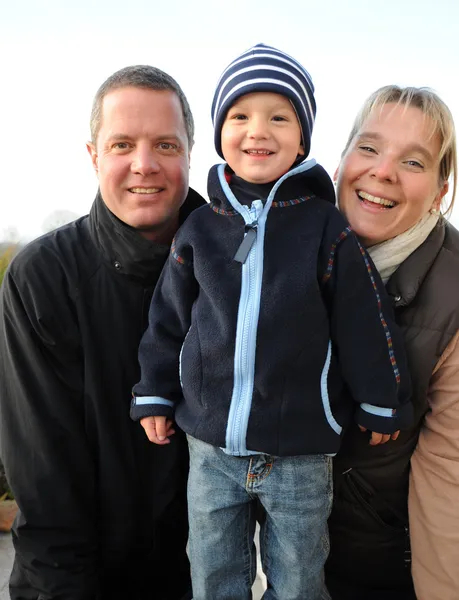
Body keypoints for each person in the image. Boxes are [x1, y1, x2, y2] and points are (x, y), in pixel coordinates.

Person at [130, 44, 412, 600]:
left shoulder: (325, 229)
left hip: (301, 451)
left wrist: (384, 397)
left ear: (302, 138)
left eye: (278, 117)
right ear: (219, 134)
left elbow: (363, 320)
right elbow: (167, 321)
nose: (258, 130)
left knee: (301, 577)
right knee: (212, 572)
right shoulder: (200, 229)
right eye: (240, 116)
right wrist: (154, 395)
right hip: (211, 446)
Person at [0, 65, 205, 599]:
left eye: (164, 143)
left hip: (200, 579)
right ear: (94, 156)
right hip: (69, 581)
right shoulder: (43, 277)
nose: (144, 165)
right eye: (122, 144)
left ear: (190, 154)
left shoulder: (237, 272)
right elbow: (46, 482)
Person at [325, 85, 459, 600]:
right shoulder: (295, 242)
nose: (382, 171)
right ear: (341, 160)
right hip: (287, 554)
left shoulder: (451, 299)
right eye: (368, 147)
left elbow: (449, 481)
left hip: (381, 567)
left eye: (414, 161)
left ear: (441, 190)